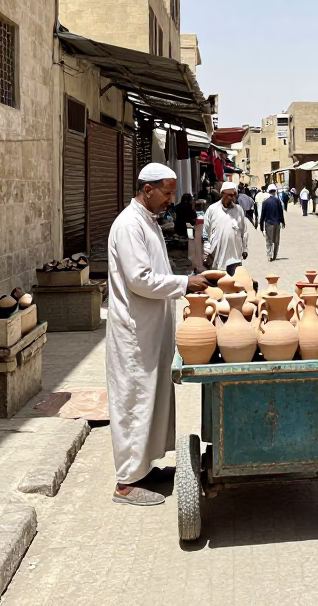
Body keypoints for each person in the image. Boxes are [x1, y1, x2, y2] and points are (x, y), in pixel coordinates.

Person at [106, 163, 210, 507]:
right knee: (134, 400)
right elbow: (139, 279)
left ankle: (144, 470)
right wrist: (185, 284)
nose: (171, 199)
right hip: (135, 332)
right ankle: (126, 482)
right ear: (147, 190)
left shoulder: (147, 221)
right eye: (166, 192)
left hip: (153, 328)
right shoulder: (128, 224)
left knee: (151, 397)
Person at [202, 181, 248, 276]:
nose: (231, 197)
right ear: (222, 194)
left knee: (235, 283)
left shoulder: (239, 210)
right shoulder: (212, 209)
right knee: (219, 284)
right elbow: (205, 232)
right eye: (229, 195)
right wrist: (207, 250)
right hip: (217, 256)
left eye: (233, 195)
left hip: (235, 256)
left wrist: (245, 249)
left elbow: (244, 231)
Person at [259, 183, 286, 260]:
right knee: (276, 240)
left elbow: (262, 215)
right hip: (277, 223)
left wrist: (261, 226)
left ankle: (269, 255)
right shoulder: (277, 201)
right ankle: (275, 255)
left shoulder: (265, 202)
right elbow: (281, 212)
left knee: (269, 240)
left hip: (268, 224)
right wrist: (283, 222)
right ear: (275, 191)